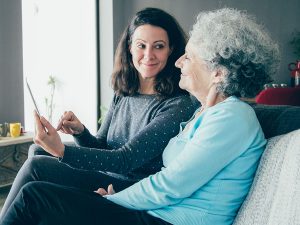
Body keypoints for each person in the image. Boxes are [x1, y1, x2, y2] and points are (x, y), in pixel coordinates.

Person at [0, 8, 280, 225]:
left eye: (189, 57)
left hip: (169, 218)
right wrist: (82, 135)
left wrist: (117, 199)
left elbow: (169, 183)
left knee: (34, 194)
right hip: (158, 210)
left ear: (218, 72)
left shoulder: (231, 119)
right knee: (37, 178)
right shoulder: (204, 113)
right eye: (141, 45)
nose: (179, 61)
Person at [0, 7, 197, 218]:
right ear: (130, 47)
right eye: (141, 45)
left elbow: (125, 160)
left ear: (171, 49)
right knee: (37, 152)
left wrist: (62, 151)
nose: (148, 55)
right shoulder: (124, 93)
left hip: (130, 185)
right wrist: (80, 132)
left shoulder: (177, 104)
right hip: (106, 174)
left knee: (36, 167)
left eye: (158, 46)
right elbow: (102, 145)